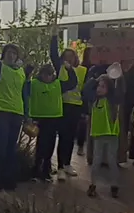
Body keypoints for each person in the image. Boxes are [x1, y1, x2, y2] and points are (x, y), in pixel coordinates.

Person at [0, 28, 30, 190]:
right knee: (2, 147)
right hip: (1, 112)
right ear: (4, 54)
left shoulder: (21, 72)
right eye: (8, 52)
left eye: (14, 53)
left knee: (11, 147)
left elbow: (25, 93)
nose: (11, 55)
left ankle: (9, 179)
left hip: (17, 113)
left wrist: (27, 114)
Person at [28, 63, 74, 181]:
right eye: (44, 75)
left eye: (49, 75)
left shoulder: (58, 84)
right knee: (40, 144)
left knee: (50, 144)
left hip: (54, 118)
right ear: (41, 74)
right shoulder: (34, 84)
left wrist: (70, 70)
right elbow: (23, 87)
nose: (47, 77)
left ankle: (45, 170)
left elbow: (72, 83)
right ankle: (36, 169)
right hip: (39, 118)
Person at [51, 36, 87, 181]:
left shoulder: (82, 70)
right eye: (66, 57)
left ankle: (67, 164)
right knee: (63, 136)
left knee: (71, 137)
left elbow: (84, 90)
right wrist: (54, 36)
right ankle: (59, 166)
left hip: (76, 106)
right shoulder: (60, 68)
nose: (69, 59)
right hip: (63, 106)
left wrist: (85, 110)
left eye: (71, 56)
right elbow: (53, 53)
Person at [83, 72, 123, 198]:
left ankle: (114, 186)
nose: (99, 89)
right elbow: (85, 90)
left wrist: (116, 76)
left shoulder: (112, 100)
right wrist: (96, 79)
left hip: (111, 135)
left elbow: (118, 93)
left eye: (103, 86)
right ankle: (93, 185)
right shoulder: (94, 99)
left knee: (112, 161)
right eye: (99, 86)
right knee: (96, 161)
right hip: (98, 135)